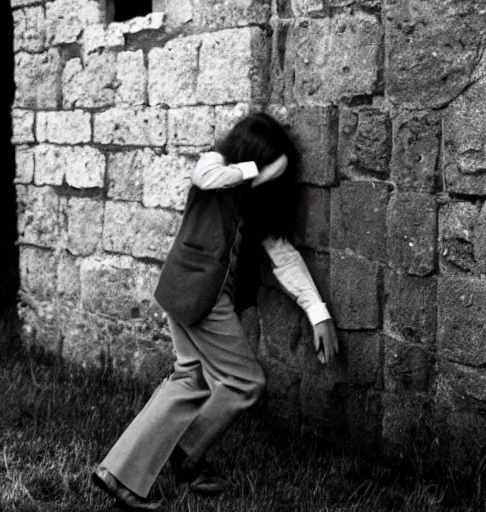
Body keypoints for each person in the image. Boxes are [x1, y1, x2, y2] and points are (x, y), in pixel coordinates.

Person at [92, 112, 339, 510]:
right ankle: (186, 454)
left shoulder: (255, 200)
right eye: (271, 167)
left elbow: (283, 255)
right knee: (245, 382)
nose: (274, 179)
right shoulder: (215, 166)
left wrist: (318, 312)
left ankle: (119, 473)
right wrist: (258, 170)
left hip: (189, 293)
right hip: (200, 297)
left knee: (190, 379)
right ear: (251, 155)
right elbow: (209, 177)